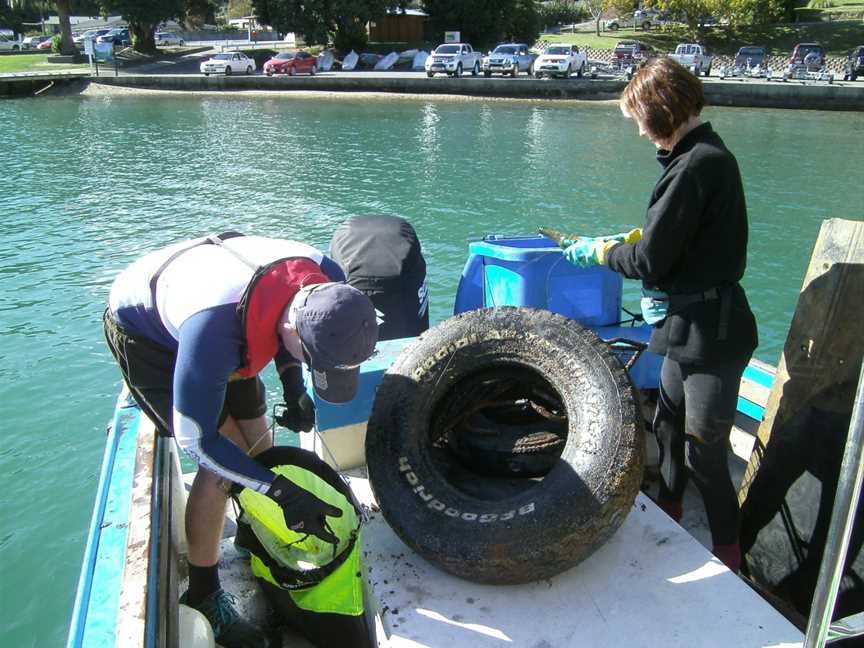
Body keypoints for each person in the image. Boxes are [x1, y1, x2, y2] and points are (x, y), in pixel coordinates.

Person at [103, 232, 378, 646]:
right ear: (290, 329)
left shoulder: (332, 285)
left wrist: (293, 385)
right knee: (225, 465)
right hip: (151, 335)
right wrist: (280, 492)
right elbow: (197, 441)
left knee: (259, 446)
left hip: (241, 303)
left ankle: (254, 531)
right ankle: (204, 591)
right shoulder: (213, 330)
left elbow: (295, 320)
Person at [562, 57, 757, 572]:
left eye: (641, 122)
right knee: (667, 426)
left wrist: (601, 253)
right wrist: (645, 249)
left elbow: (650, 258)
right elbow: (675, 245)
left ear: (661, 112)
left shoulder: (695, 166)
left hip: (712, 334)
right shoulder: (700, 159)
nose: (643, 135)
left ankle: (729, 558)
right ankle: (670, 515)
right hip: (683, 327)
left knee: (704, 453)